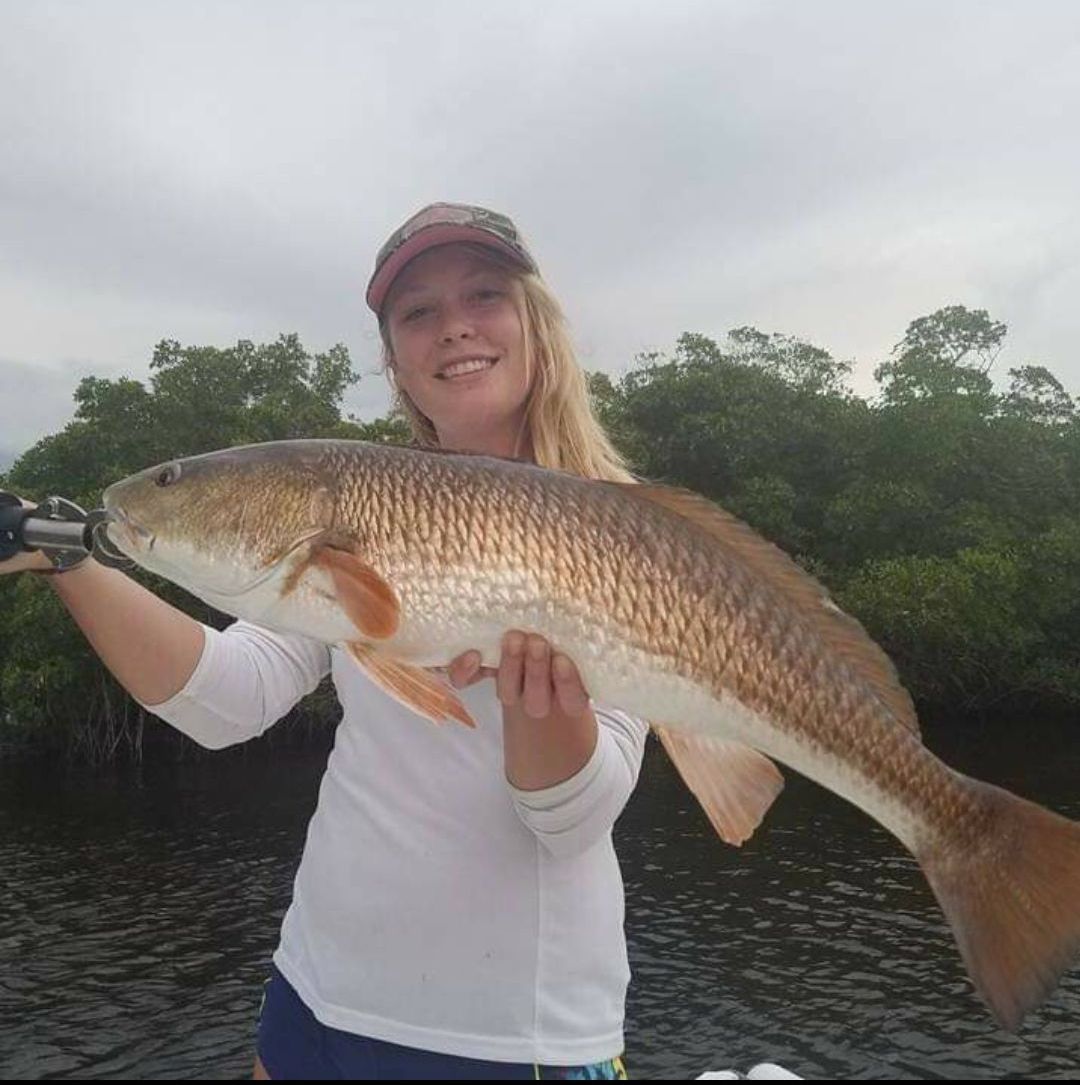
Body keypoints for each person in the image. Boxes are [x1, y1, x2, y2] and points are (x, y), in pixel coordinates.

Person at [2, 203, 650, 1080]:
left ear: (535, 320)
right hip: (313, 997)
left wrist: (536, 703)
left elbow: (574, 817)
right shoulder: (352, 501)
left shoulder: (628, 526)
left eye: (484, 294)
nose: (454, 324)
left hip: (511, 1038)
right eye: (417, 311)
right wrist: (64, 561)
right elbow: (230, 696)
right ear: (394, 361)